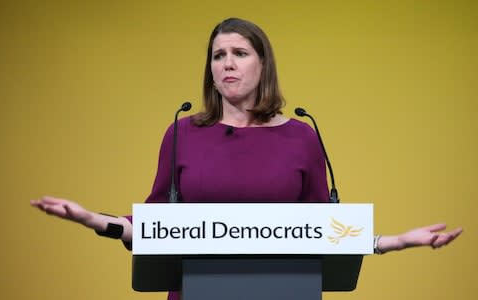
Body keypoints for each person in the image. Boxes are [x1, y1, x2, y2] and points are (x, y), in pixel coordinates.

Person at [30, 18, 462, 300]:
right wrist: (92, 220)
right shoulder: (182, 133)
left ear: (262, 64)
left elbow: (323, 230)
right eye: (218, 56)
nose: (227, 65)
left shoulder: (301, 136)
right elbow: (156, 220)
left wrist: (398, 241)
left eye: (239, 53)